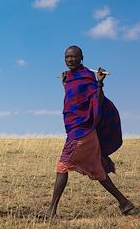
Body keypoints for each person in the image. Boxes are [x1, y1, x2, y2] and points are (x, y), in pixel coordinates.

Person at [48, 45, 134, 217]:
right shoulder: (70, 78)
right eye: (67, 57)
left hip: (82, 131)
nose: (70, 60)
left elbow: (97, 101)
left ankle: (51, 211)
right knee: (97, 170)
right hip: (81, 131)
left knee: (62, 166)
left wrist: (100, 83)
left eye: (73, 57)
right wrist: (65, 84)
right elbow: (74, 99)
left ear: (82, 58)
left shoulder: (88, 77)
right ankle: (124, 202)